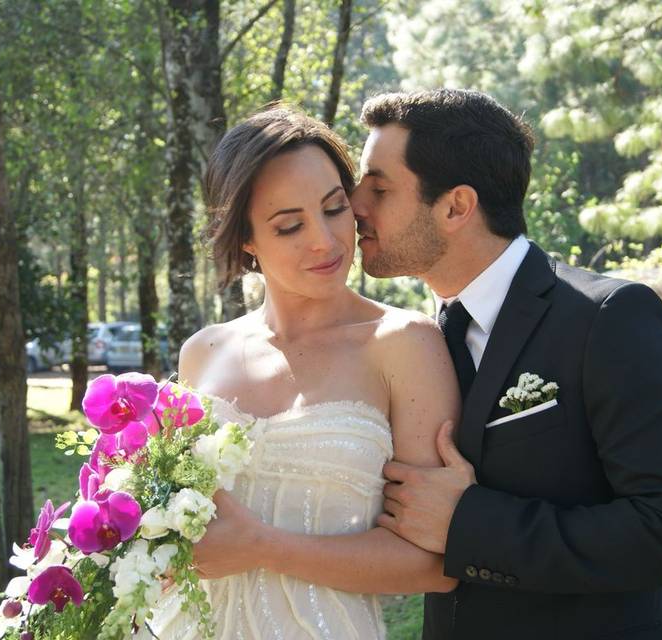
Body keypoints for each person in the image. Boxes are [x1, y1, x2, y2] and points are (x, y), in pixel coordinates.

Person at [349, 89, 662, 639]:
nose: (354, 204)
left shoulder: (608, 318)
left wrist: (469, 524)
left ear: (456, 206)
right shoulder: (411, 342)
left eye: (378, 188)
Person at [147, 107, 460, 640]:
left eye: (335, 208)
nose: (326, 240)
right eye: (289, 225)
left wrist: (263, 547)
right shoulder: (203, 353)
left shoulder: (405, 345)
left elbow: (433, 565)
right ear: (245, 239)